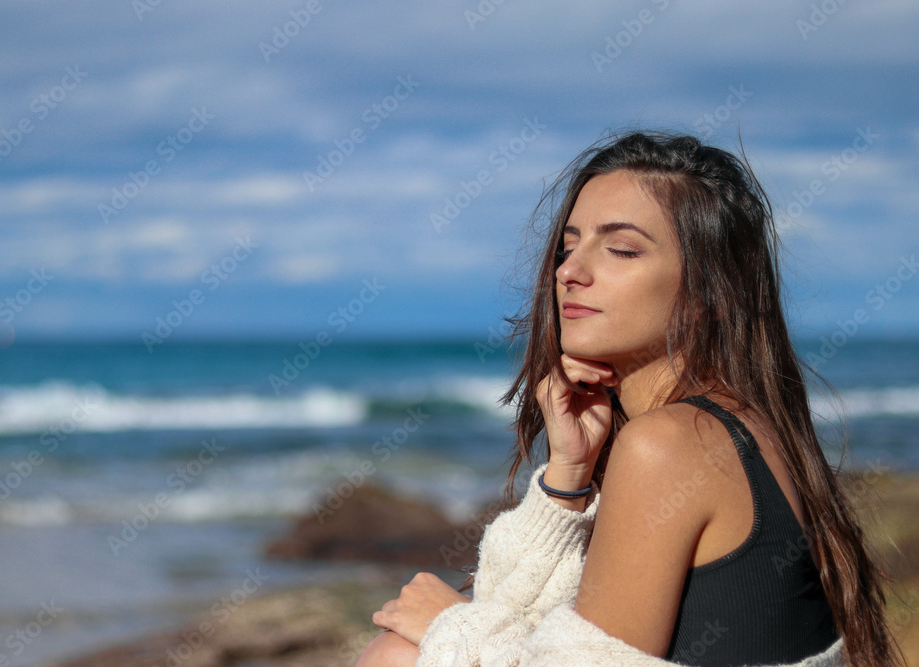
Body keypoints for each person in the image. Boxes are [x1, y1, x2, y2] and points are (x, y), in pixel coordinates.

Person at [356, 130, 904, 666]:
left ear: (710, 292)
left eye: (620, 249)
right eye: (569, 246)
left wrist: (452, 626)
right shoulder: (742, 426)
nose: (569, 271)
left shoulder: (669, 443)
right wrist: (567, 474)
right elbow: (538, 626)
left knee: (396, 655)